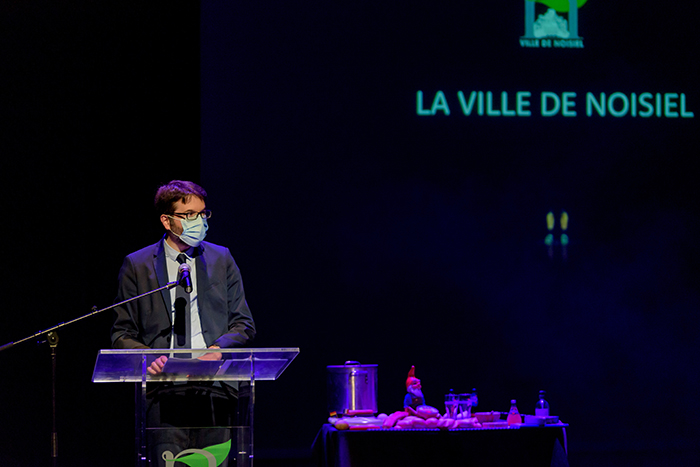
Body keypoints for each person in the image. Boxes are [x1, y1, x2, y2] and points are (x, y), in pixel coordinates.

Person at [111, 180, 256, 466]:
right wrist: (149, 356)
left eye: (202, 214)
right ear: (167, 221)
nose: (199, 221)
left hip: (215, 387)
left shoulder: (221, 258)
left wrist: (217, 349)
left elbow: (244, 324)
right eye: (189, 215)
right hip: (164, 390)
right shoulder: (137, 265)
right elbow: (122, 333)